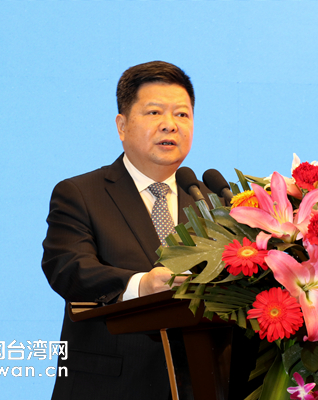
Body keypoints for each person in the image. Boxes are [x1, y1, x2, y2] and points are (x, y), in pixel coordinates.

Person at [42, 61, 211, 400]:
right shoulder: (81, 193)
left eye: (182, 114)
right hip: (109, 386)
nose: (170, 125)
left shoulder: (207, 200)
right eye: (154, 112)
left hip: (199, 384)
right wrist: (140, 285)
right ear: (122, 126)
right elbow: (68, 268)